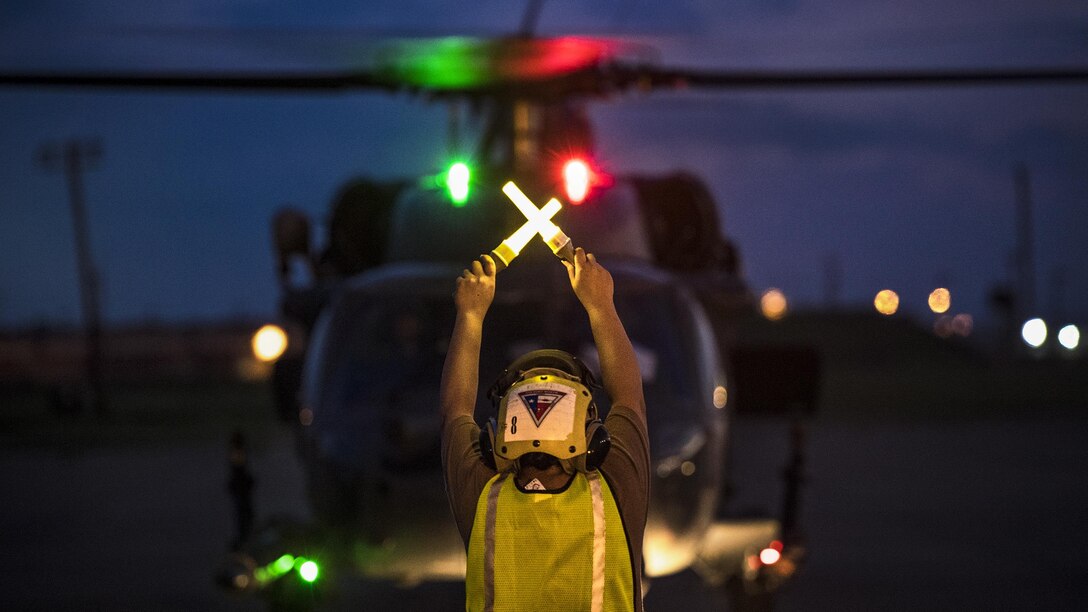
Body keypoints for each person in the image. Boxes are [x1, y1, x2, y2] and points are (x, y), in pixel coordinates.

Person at [440, 248, 650, 611]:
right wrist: (601, 304)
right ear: (592, 439)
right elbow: (629, 397)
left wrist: (470, 315)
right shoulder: (615, 489)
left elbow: (454, 409)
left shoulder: (484, 497)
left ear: (501, 435)